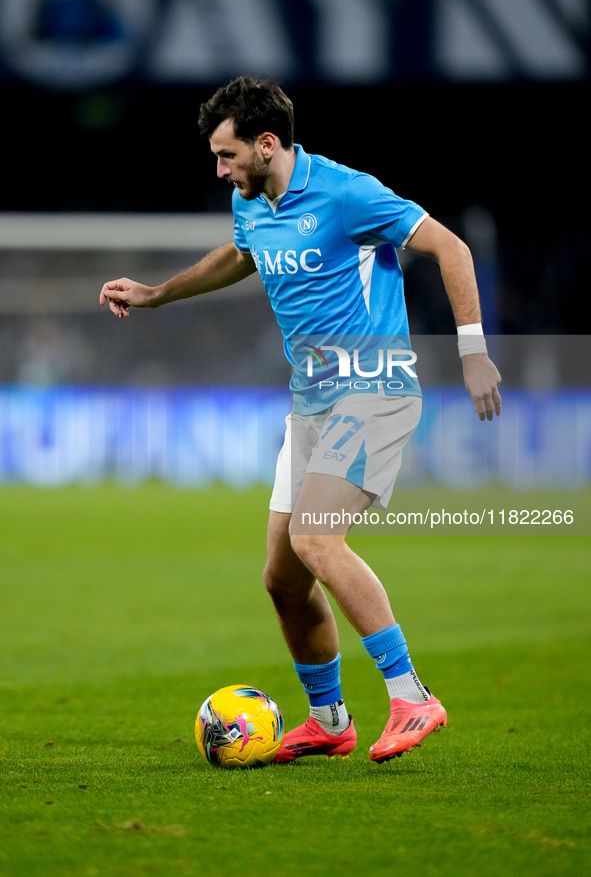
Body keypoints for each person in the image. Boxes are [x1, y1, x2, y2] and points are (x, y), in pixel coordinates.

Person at [100, 76, 501, 764]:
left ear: (266, 143)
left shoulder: (348, 193)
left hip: (373, 388)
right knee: (283, 578)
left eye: (227, 156)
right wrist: (159, 294)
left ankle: (411, 695)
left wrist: (472, 353)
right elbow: (241, 252)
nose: (220, 170)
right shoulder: (250, 200)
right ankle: (329, 718)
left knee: (318, 540)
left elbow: (451, 248)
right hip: (311, 401)